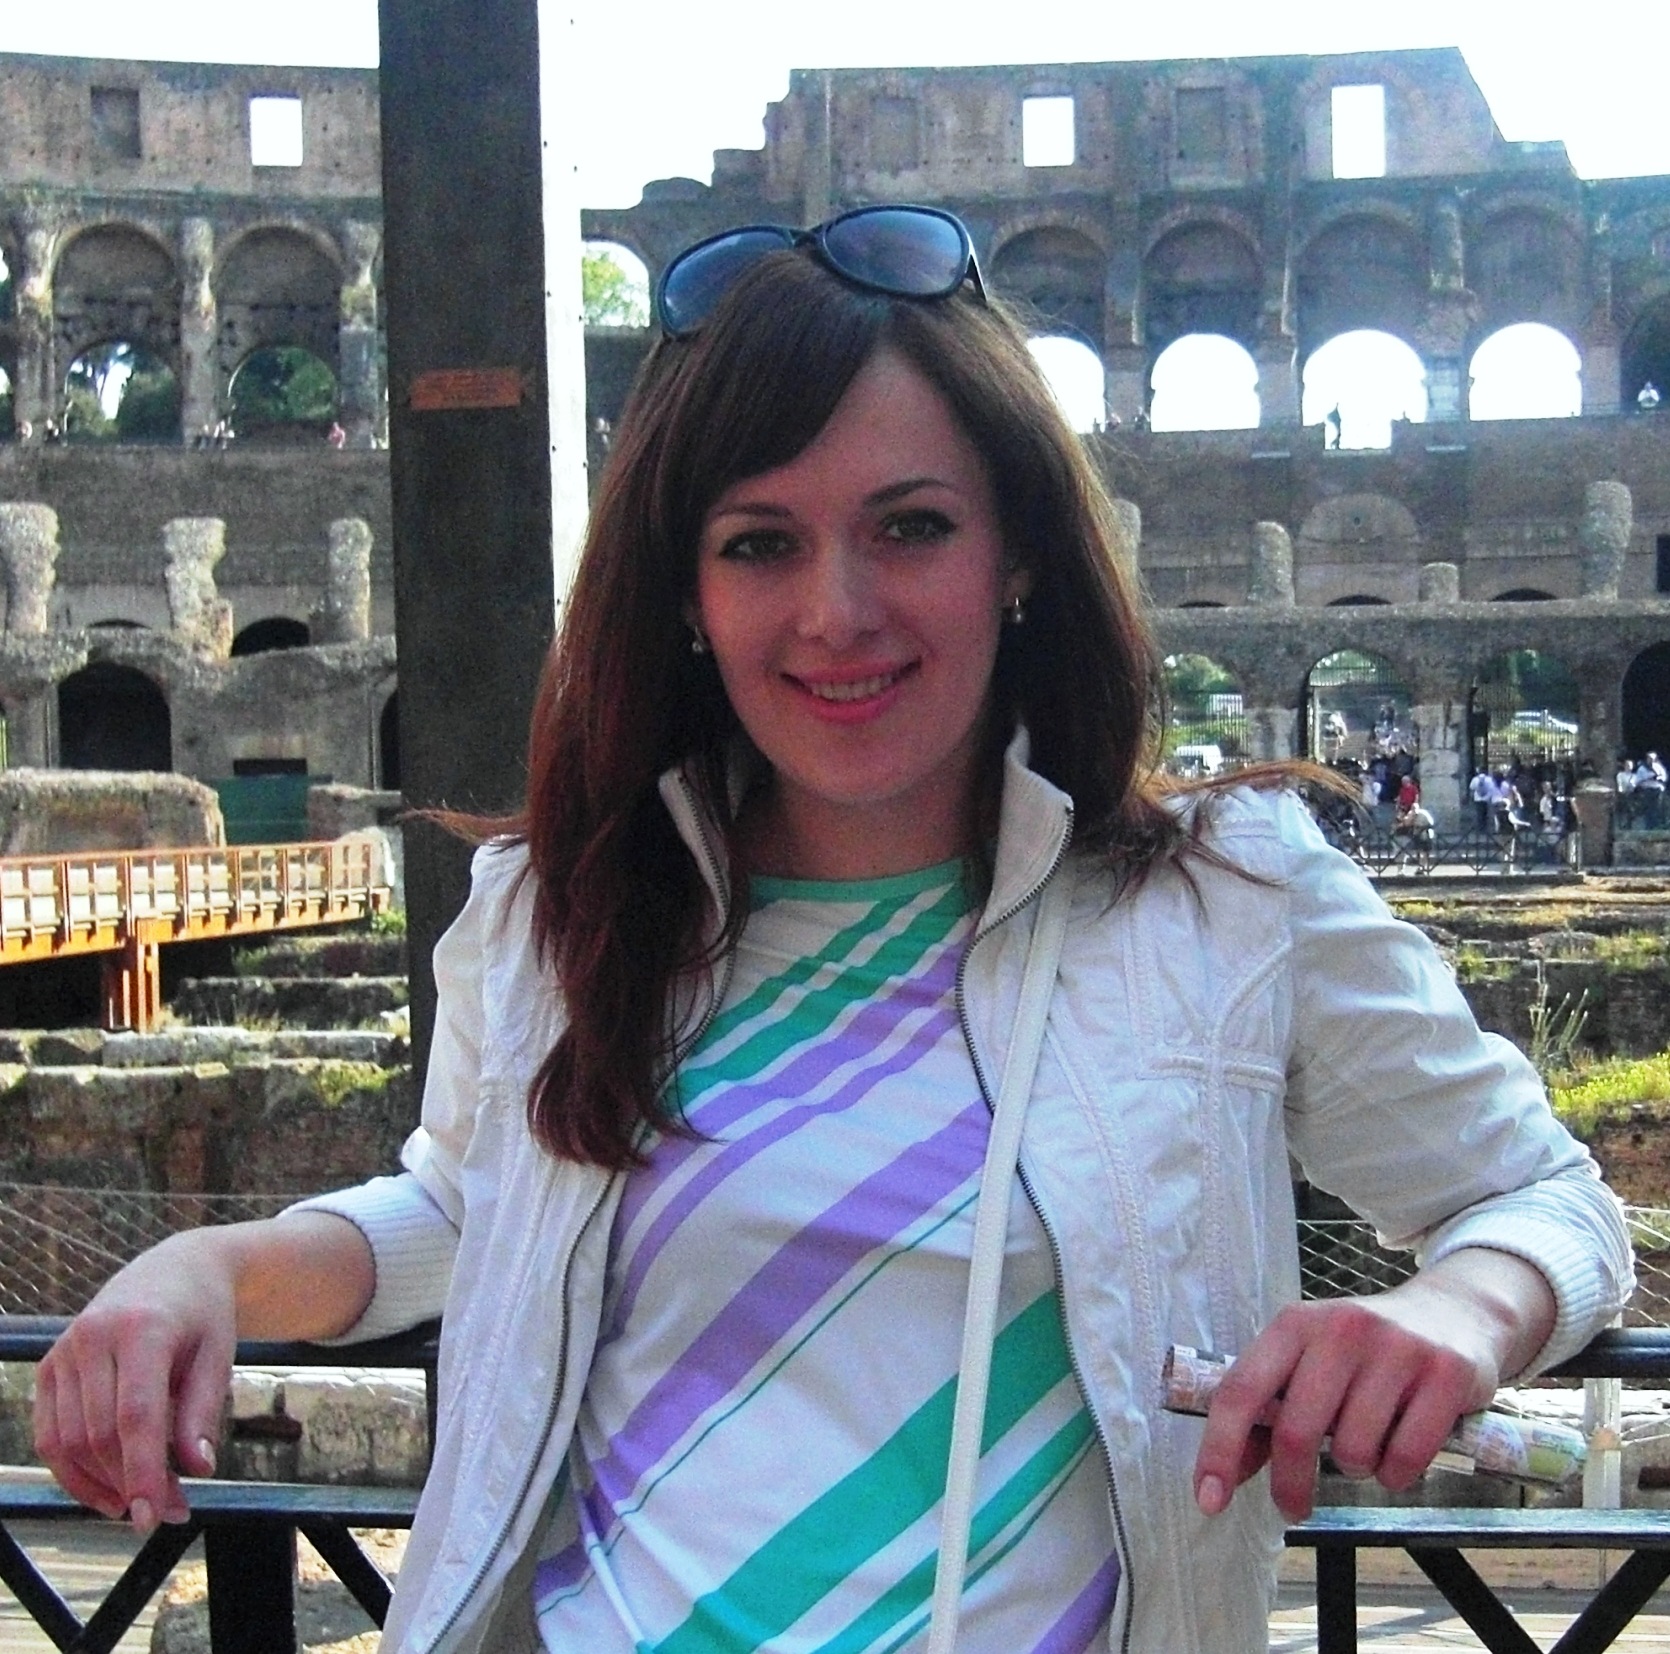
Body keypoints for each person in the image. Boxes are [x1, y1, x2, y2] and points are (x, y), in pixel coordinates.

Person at [35, 206, 1632, 1654]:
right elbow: (466, 1205)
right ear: (685, 592)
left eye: (910, 526)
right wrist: (205, 1268)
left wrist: (1447, 1313)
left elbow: (1547, 1202)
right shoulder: (560, 907)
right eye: (760, 542)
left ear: (1017, 552)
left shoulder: (1226, 900)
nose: (836, 610)